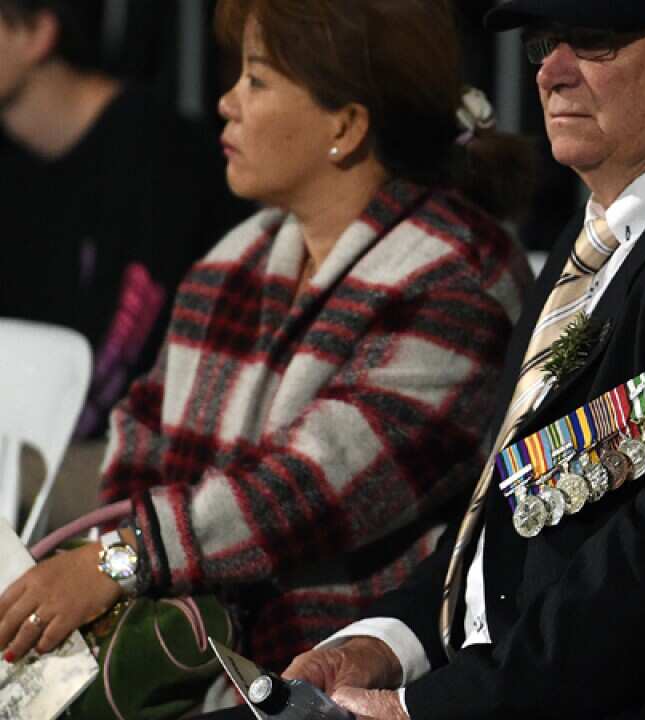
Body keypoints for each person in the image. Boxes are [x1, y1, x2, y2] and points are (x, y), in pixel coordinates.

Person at [229, 1, 645, 718]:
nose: (551, 73)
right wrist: (384, 642)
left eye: (595, 42)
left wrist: (431, 708)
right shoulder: (600, 224)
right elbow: (499, 511)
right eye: (545, 45)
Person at [0, 0, 534, 679]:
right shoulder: (237, 258)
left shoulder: (457, 274)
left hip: (333, 671)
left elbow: (312, 487)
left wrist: (123, 558)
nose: (225, 103)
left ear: (345, 125)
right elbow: (142, 434)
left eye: (256, 80)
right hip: (194, 657)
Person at [0, 0, 245, 437]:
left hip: (135, 450)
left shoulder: (157, 151)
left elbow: (124, 357)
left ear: (37, 34)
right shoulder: (15, 160)